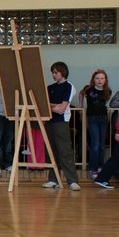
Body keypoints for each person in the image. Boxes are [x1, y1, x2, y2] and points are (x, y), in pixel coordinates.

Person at [42, 61, 80, 190]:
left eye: (56, 72)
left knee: (65, 151)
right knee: (51, 151)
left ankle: (72, 180)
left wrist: (51, 107)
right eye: (53, 73)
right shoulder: (50, 88)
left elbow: (62, 108)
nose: (54, 75)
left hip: (61, 122)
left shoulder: (69, 87)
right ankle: (53, 179)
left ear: (63, 72)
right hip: (50, 121)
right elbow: (45, 104)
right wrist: (54, 107)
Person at [80, 69, 111, 179]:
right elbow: (81, 93)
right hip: (92, 118)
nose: (99, 80)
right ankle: (92, 168)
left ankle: (100, 166)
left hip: (103, 117)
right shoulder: (88, 89)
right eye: (97, 78)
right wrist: (81, 105)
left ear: (105, 80)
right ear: (93, 79)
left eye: (102, 78)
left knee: (102, 144)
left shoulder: (107, 91)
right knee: (96, 144)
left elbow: (105, 101)